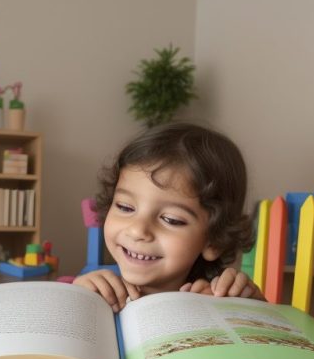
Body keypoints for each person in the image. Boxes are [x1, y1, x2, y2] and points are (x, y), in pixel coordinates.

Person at [74, 123, 264, 312]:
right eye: (125, 207)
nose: (138, 230)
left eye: (171, 220)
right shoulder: (92, 286)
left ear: (214, 240)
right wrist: (75, 297)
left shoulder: (221, 298)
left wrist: (251, 307)